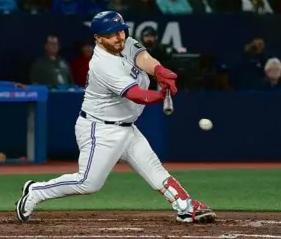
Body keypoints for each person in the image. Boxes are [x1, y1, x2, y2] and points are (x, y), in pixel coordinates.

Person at [16, 11, 216, 224]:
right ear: (98, 38)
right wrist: (161, 94)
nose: (119, 37)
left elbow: (143, 57)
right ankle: (36, 191)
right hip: (100, 130)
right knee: (88, 183)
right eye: (112, 34)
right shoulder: (102, 64)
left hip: (127, 128)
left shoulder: (125, 42)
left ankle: (184, 205)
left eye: (121, 31)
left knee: (154, 169)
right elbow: (136, 95)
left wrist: (159, 71)